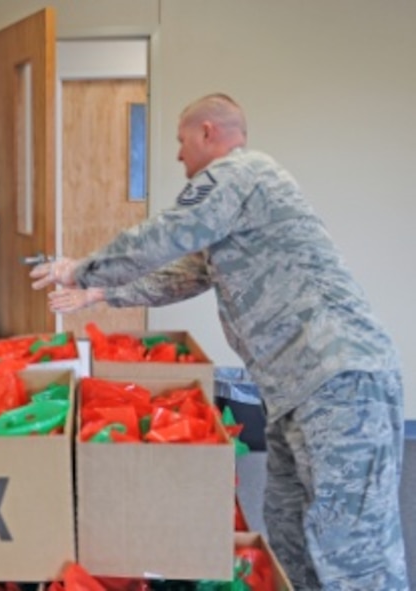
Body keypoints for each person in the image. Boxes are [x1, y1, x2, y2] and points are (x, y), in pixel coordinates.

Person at [30, 94, 408, 590]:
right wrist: (101, 291)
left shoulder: (240, 174)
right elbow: (183, 275)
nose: (178, 156)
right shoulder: (234, 209)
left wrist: (80, 267)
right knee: (290, 531)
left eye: (182, 142)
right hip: (295, 392)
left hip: (339, 382)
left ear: (208, 132)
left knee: (353, 552)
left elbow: (165, 234)